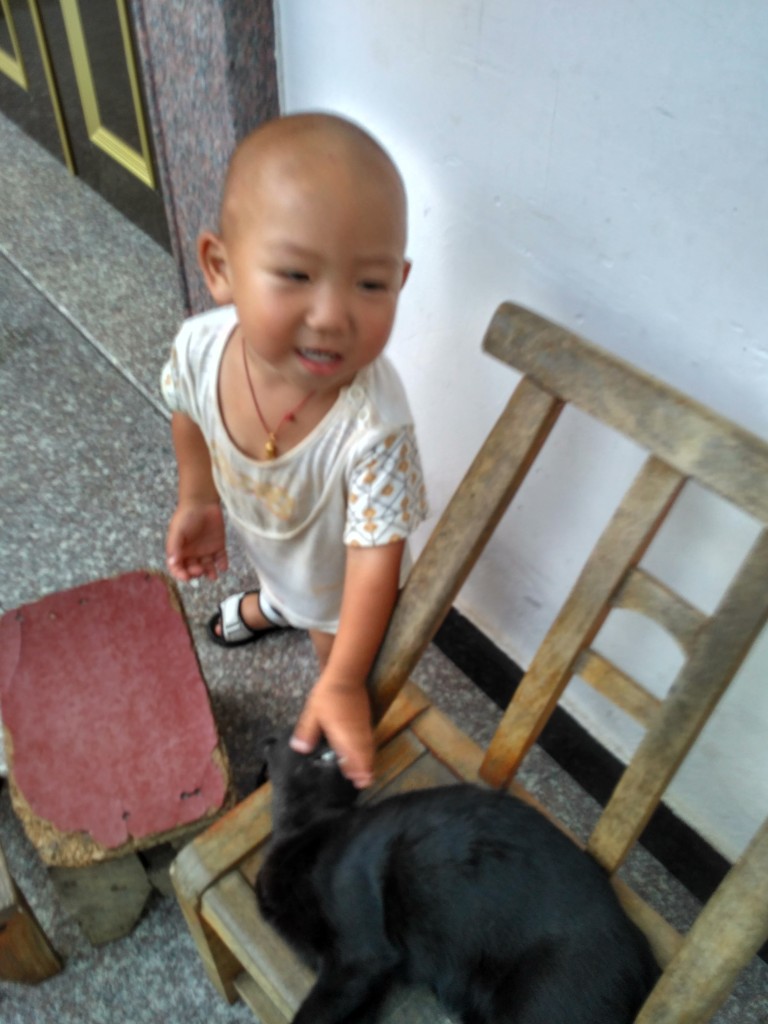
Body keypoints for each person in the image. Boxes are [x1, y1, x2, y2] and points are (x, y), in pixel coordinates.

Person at [161, 112, 427, 789]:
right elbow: (187, 408)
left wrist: (340, 681)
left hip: (340, 585)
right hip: (272, 537)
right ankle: (274, 602)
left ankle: (320, 669)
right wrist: (198, 498)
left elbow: (375, 563)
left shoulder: (373, 427)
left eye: (370, 284)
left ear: (400, 280)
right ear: (221, 268)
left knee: (333, 647)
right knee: (285, 573)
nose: (334, 314)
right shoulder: (200, 346)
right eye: (295, 274)